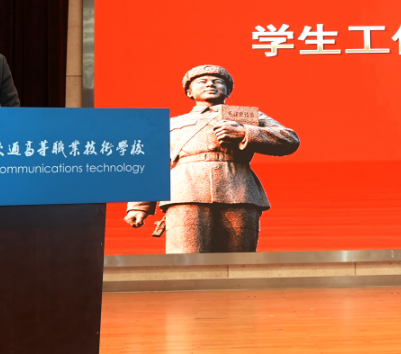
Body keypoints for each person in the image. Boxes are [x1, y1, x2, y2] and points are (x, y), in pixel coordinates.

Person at [124, 65, 298, 253]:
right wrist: (139, 206)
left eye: (218, 81)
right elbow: (154, 164)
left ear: (228, 91)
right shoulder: (172, 124)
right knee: (186, 257)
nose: (210, 85)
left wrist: (243, 132)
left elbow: (289, 139)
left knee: (239, 259)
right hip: (185, 192)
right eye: (202, 81)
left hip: (238, 191)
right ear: (189, 92)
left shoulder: (247, 116)